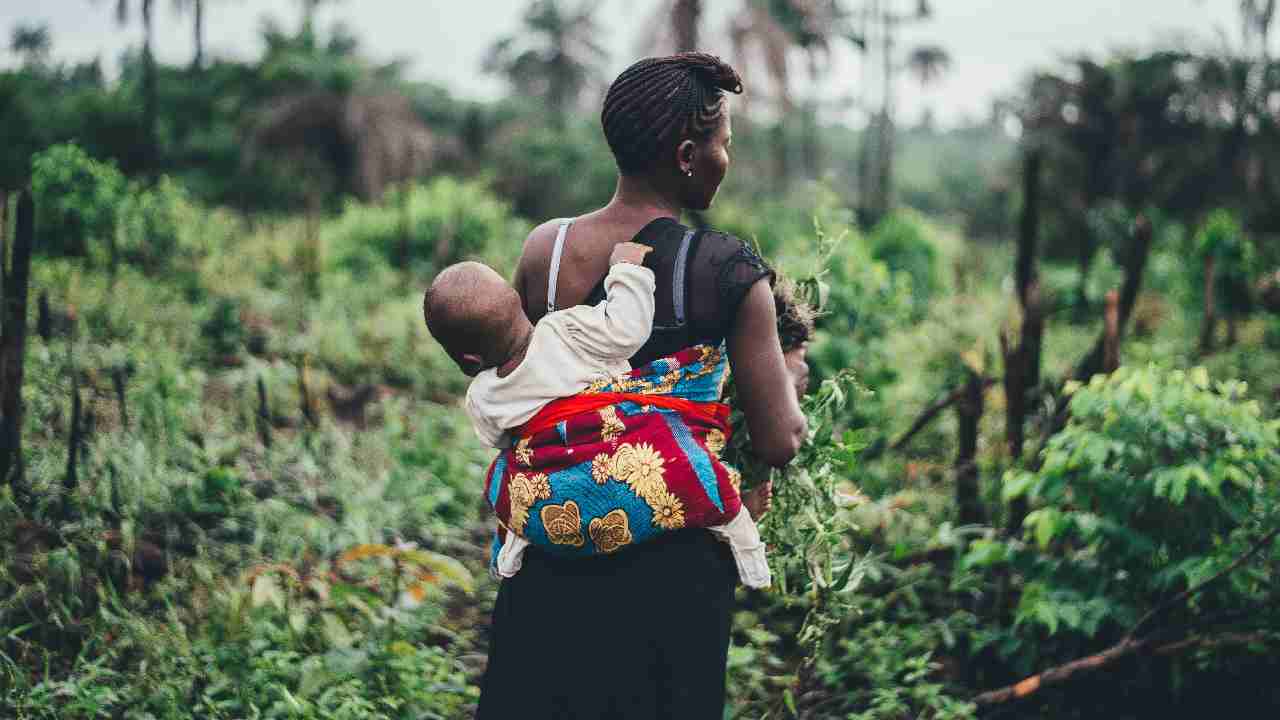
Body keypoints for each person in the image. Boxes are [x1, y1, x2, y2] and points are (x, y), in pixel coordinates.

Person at [477, 52, 808, 719]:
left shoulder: (549, 251)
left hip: (556, 548)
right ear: (688, 154)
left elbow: (518, 380)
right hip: (673, 576)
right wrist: (791, 376)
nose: (726, 160)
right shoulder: (729, 271)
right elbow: (779, 441)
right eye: (723, 145)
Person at [422, 244, 772, 586]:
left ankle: (511, 551)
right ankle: (748, 549)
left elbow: (500, 441)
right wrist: (626, 270)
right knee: (688, 465)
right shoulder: (564, 329)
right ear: (519, 304)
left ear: (468, 362)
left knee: (505, 477)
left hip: (556, 495)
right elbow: (627, 330)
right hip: (622, 458)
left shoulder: (482, 396)